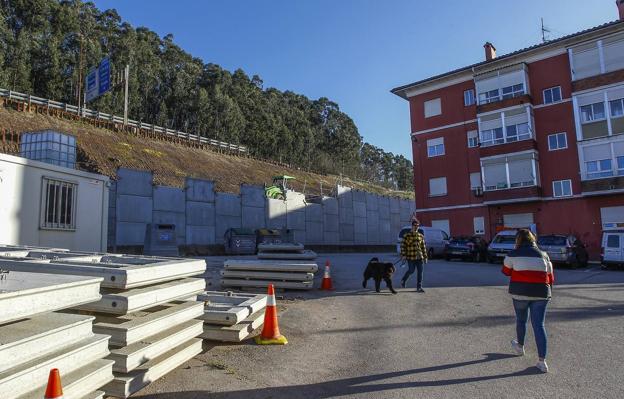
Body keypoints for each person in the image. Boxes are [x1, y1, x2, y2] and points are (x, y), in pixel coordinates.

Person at [502, 229, 554, 373]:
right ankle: (542, 362)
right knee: (539, 326)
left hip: (520, 293)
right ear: (533, 239)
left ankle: (520, 347)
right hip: (541, 293)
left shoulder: (513, 254)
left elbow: (506, 271)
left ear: (518, 240)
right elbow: (550, 277)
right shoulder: (544, 255)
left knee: (521, 320)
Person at [399, 218, 428, 293]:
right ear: (412, 226)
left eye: (417, 226)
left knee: (420, 272)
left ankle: (419, 287)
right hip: (411, 257)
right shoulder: (406, 236)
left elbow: (423, 247)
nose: (416, 227)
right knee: (411, 271)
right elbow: (402, 246)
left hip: (420, 257)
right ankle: (404, 280)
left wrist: (425, 257)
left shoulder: (420, 236)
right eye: (415, 225)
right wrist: (403, 255)